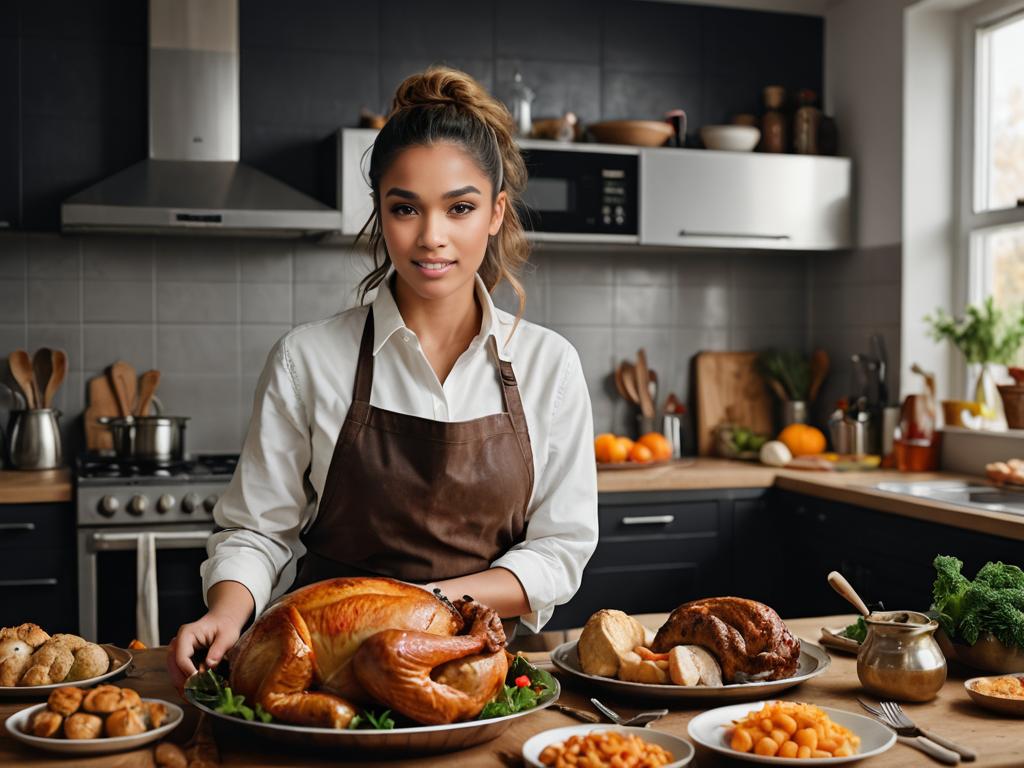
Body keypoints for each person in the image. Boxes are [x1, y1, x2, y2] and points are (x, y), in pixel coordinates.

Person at [168, 67, 599, 688]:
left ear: (497, 213)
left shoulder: (548, 365)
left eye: (460, 208)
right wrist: (226, 611)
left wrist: (422, 610)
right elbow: (257, 531)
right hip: (323, 674)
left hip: (473, 674)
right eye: (405, 208)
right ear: (380, 212)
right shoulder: (307, 359)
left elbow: (559, 551)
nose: (432, 237)